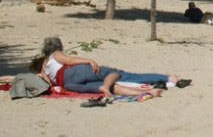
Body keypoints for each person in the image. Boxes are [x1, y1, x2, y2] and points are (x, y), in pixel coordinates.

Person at [39, 37, 184, 98]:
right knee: (118, 74)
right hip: (73, 73)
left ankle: (147, 93)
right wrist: (88, 60)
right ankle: (167, 78)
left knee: (112, 86)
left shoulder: (44, 65)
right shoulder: (55, 54)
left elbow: (45, 80)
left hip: (68, 85)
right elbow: (69, 60)